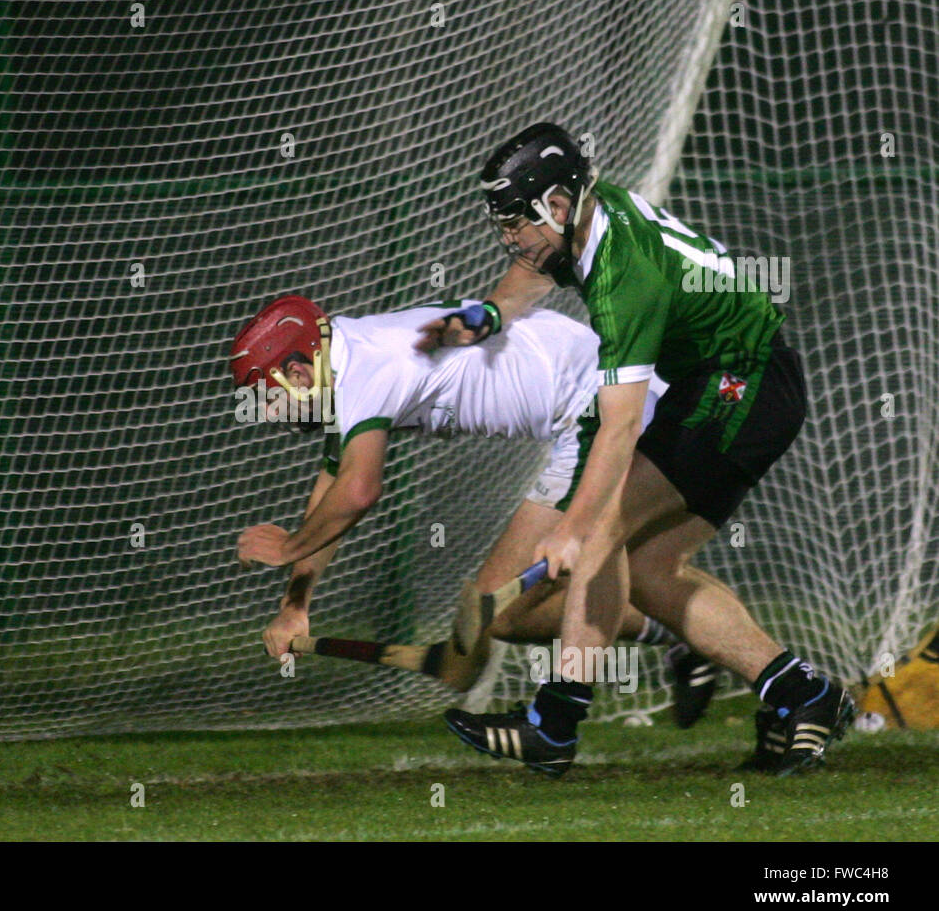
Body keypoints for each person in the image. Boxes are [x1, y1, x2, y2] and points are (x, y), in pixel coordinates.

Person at [420, 122, 853, 775]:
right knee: (650, 573)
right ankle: (802, 692)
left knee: (599, 536)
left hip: (742, 386)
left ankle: (554, 725)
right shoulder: (585, 220)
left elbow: (619, 428)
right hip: (736, 385)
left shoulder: (625, 275)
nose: (508, 236)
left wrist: (573, 528)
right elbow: (529, 275)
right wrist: (488, 315)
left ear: (556, 207)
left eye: (515, 221)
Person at [231, 295, 721, 752]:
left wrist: (288, 548)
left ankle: (553, 731)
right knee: (511, 613)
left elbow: (359, 491)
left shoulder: (365, 366)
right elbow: (333, 485)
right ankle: (684, 636)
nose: (269, 414)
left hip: (599, 414)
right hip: (592, 407)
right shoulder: (346, 360)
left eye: (268, 397)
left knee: (503, 611)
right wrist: (296, 604)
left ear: (297, 371)